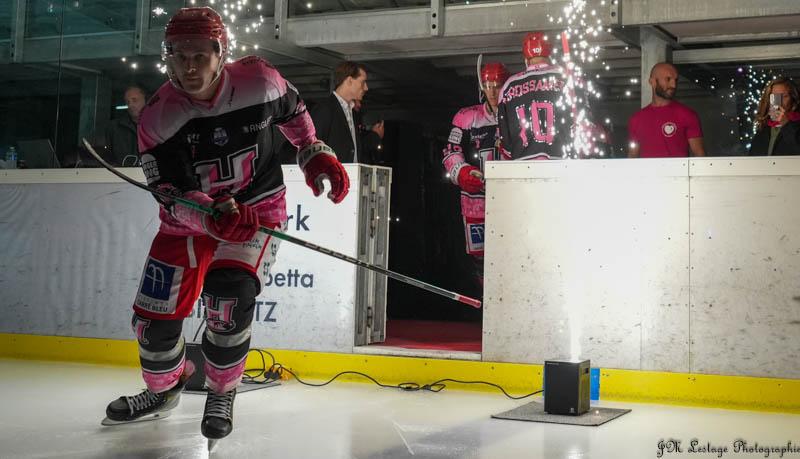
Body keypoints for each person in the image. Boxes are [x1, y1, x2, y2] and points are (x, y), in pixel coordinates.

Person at [101, 6, 349, 449]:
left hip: (258, 209)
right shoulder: (158, 116)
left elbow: (295, 114)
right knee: (153, 327)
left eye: (200, 55)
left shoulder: (261, 79)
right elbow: (167, 191)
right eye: (179, 56)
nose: (190, 66)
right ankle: (163, 391)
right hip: (187, 224)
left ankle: (221, 391)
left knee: (230, 297)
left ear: (222, 52)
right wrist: (209, 213)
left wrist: (313, 151)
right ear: (168, 56)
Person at [442, 62, 509, 288]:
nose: (492, 91)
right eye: (488, 85)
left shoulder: (517, 116)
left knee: (511, 254)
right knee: (480, 260)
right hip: (475, 203)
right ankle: (486, 306)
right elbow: (450, 152)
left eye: (497, 85)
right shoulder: (465, 117)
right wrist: (460, 172)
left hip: (511, 200)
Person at [497, 31, 600, 160]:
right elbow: (587, 133)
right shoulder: (569, 79)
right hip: (562, 165)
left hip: (523, 167)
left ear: (526, 59)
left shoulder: (508, 87)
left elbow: (505, 145)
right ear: (549, 54)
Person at [310, 61, 383, 164]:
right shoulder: (325, 109)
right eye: (362, 82)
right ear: (349, 81)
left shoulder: (353, 113)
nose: (366, 87)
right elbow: (312, 148)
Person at [627, 62, 705, 158]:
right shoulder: (636, 119)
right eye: (668, 79)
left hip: (679, 173)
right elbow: (632, 157)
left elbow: (700, 155)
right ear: (653, 82)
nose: (673, 85)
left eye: (675, 80)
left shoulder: (687, 115)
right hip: (647, 173)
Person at [86, 86, 147, 166]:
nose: (130, 105)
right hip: (120, 176)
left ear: (146, 100)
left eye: (134, 100)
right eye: (127, 102)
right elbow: (106, 157)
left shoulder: (159, 125)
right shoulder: (113, 128)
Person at [749, 77, 800, 156]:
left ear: (793, 99)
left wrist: (786, 124)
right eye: (775, 97)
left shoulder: (797, 125)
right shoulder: (763, 128)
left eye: (784, 96)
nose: (778, 102)